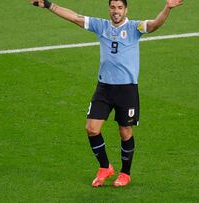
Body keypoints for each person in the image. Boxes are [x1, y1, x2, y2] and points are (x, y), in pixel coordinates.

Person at [30, 0, 183, 187]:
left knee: (125, 131)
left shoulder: (135, 27)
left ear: (126, 9)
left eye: (120, 8)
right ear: (109, 9)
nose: (116, 11)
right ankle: (105, 167)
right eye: (113, 7)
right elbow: (74, 17)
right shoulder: (101, 25)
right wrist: (48, 5)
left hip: (126, 89)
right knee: (91, 129)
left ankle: (125, 173)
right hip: (104, 88)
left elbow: (154, 24)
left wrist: (167, 8)